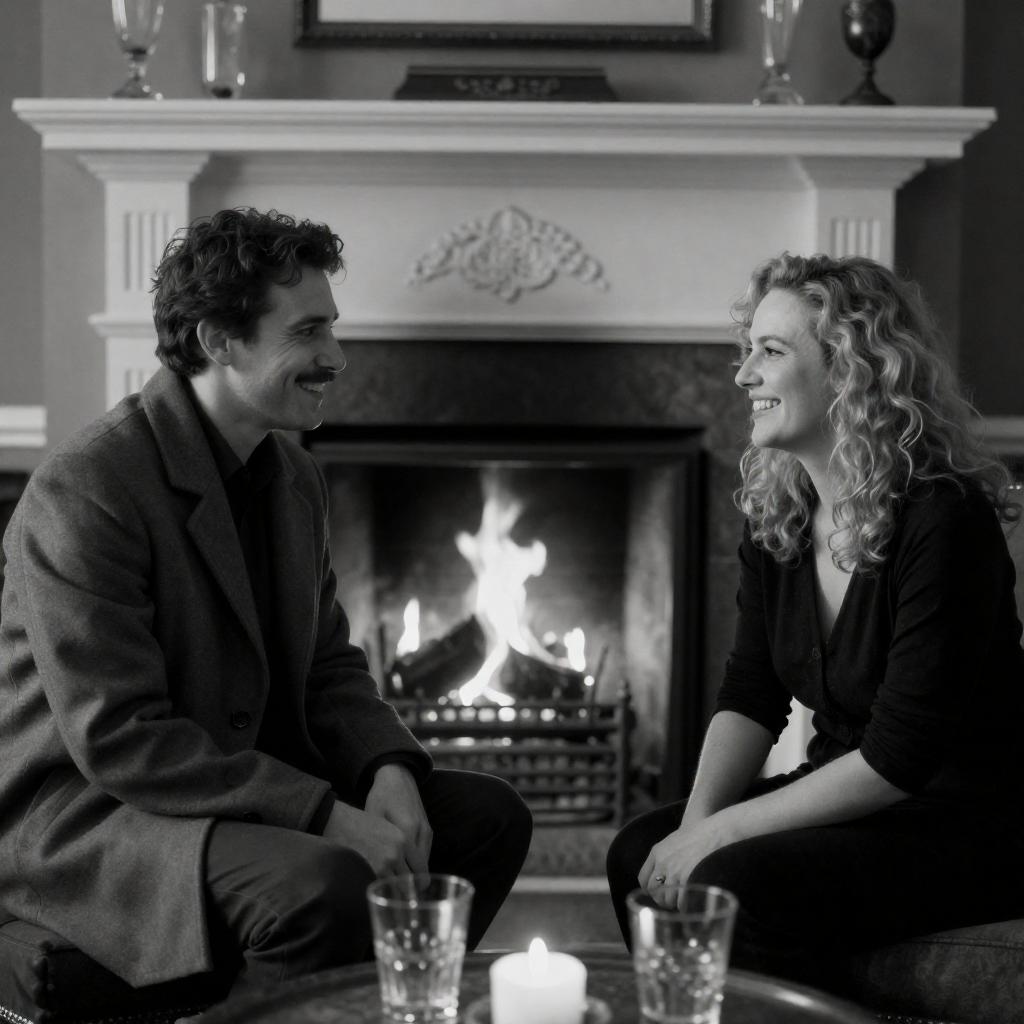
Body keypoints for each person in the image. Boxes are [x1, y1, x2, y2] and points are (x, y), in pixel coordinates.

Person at [0, 208, 532, 1002]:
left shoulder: (294, 477)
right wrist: (324, 814)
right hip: (97, 812)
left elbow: (327, 666)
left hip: (242, 777)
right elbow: (120, 738)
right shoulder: (87, 489)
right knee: (324, 883)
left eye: (332, 327)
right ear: (219, 340)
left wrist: (386, 767)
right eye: (309, 332)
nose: (336, 357)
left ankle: (390, 1012)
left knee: (488, 818)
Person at [607, 251, 1024, 994]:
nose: (744, 375)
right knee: (637, 851)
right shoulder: (783, 514)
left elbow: (899, 756)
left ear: (850, 370)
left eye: (770, 351)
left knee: (730, 879)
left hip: (963, 821)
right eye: (748, 351)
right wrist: (694, 825)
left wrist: (720, 835)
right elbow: (750, 694)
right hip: (853, 802)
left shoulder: (944, 519)